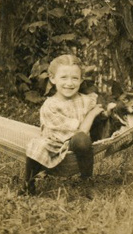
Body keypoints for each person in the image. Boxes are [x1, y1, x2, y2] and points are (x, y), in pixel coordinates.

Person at [20, 54, 105, 196]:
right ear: (53, 79)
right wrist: (92, 114)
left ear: (81, 79)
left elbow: (102, 117)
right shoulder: (50, 106)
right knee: (37, 146)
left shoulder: (87, 100)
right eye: (64, 78)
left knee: (82, 139)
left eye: (75, 78)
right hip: (54, 145)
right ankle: (28, 184)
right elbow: (81, 129)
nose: (69, 83)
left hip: (77, 145)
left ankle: (87, 182)